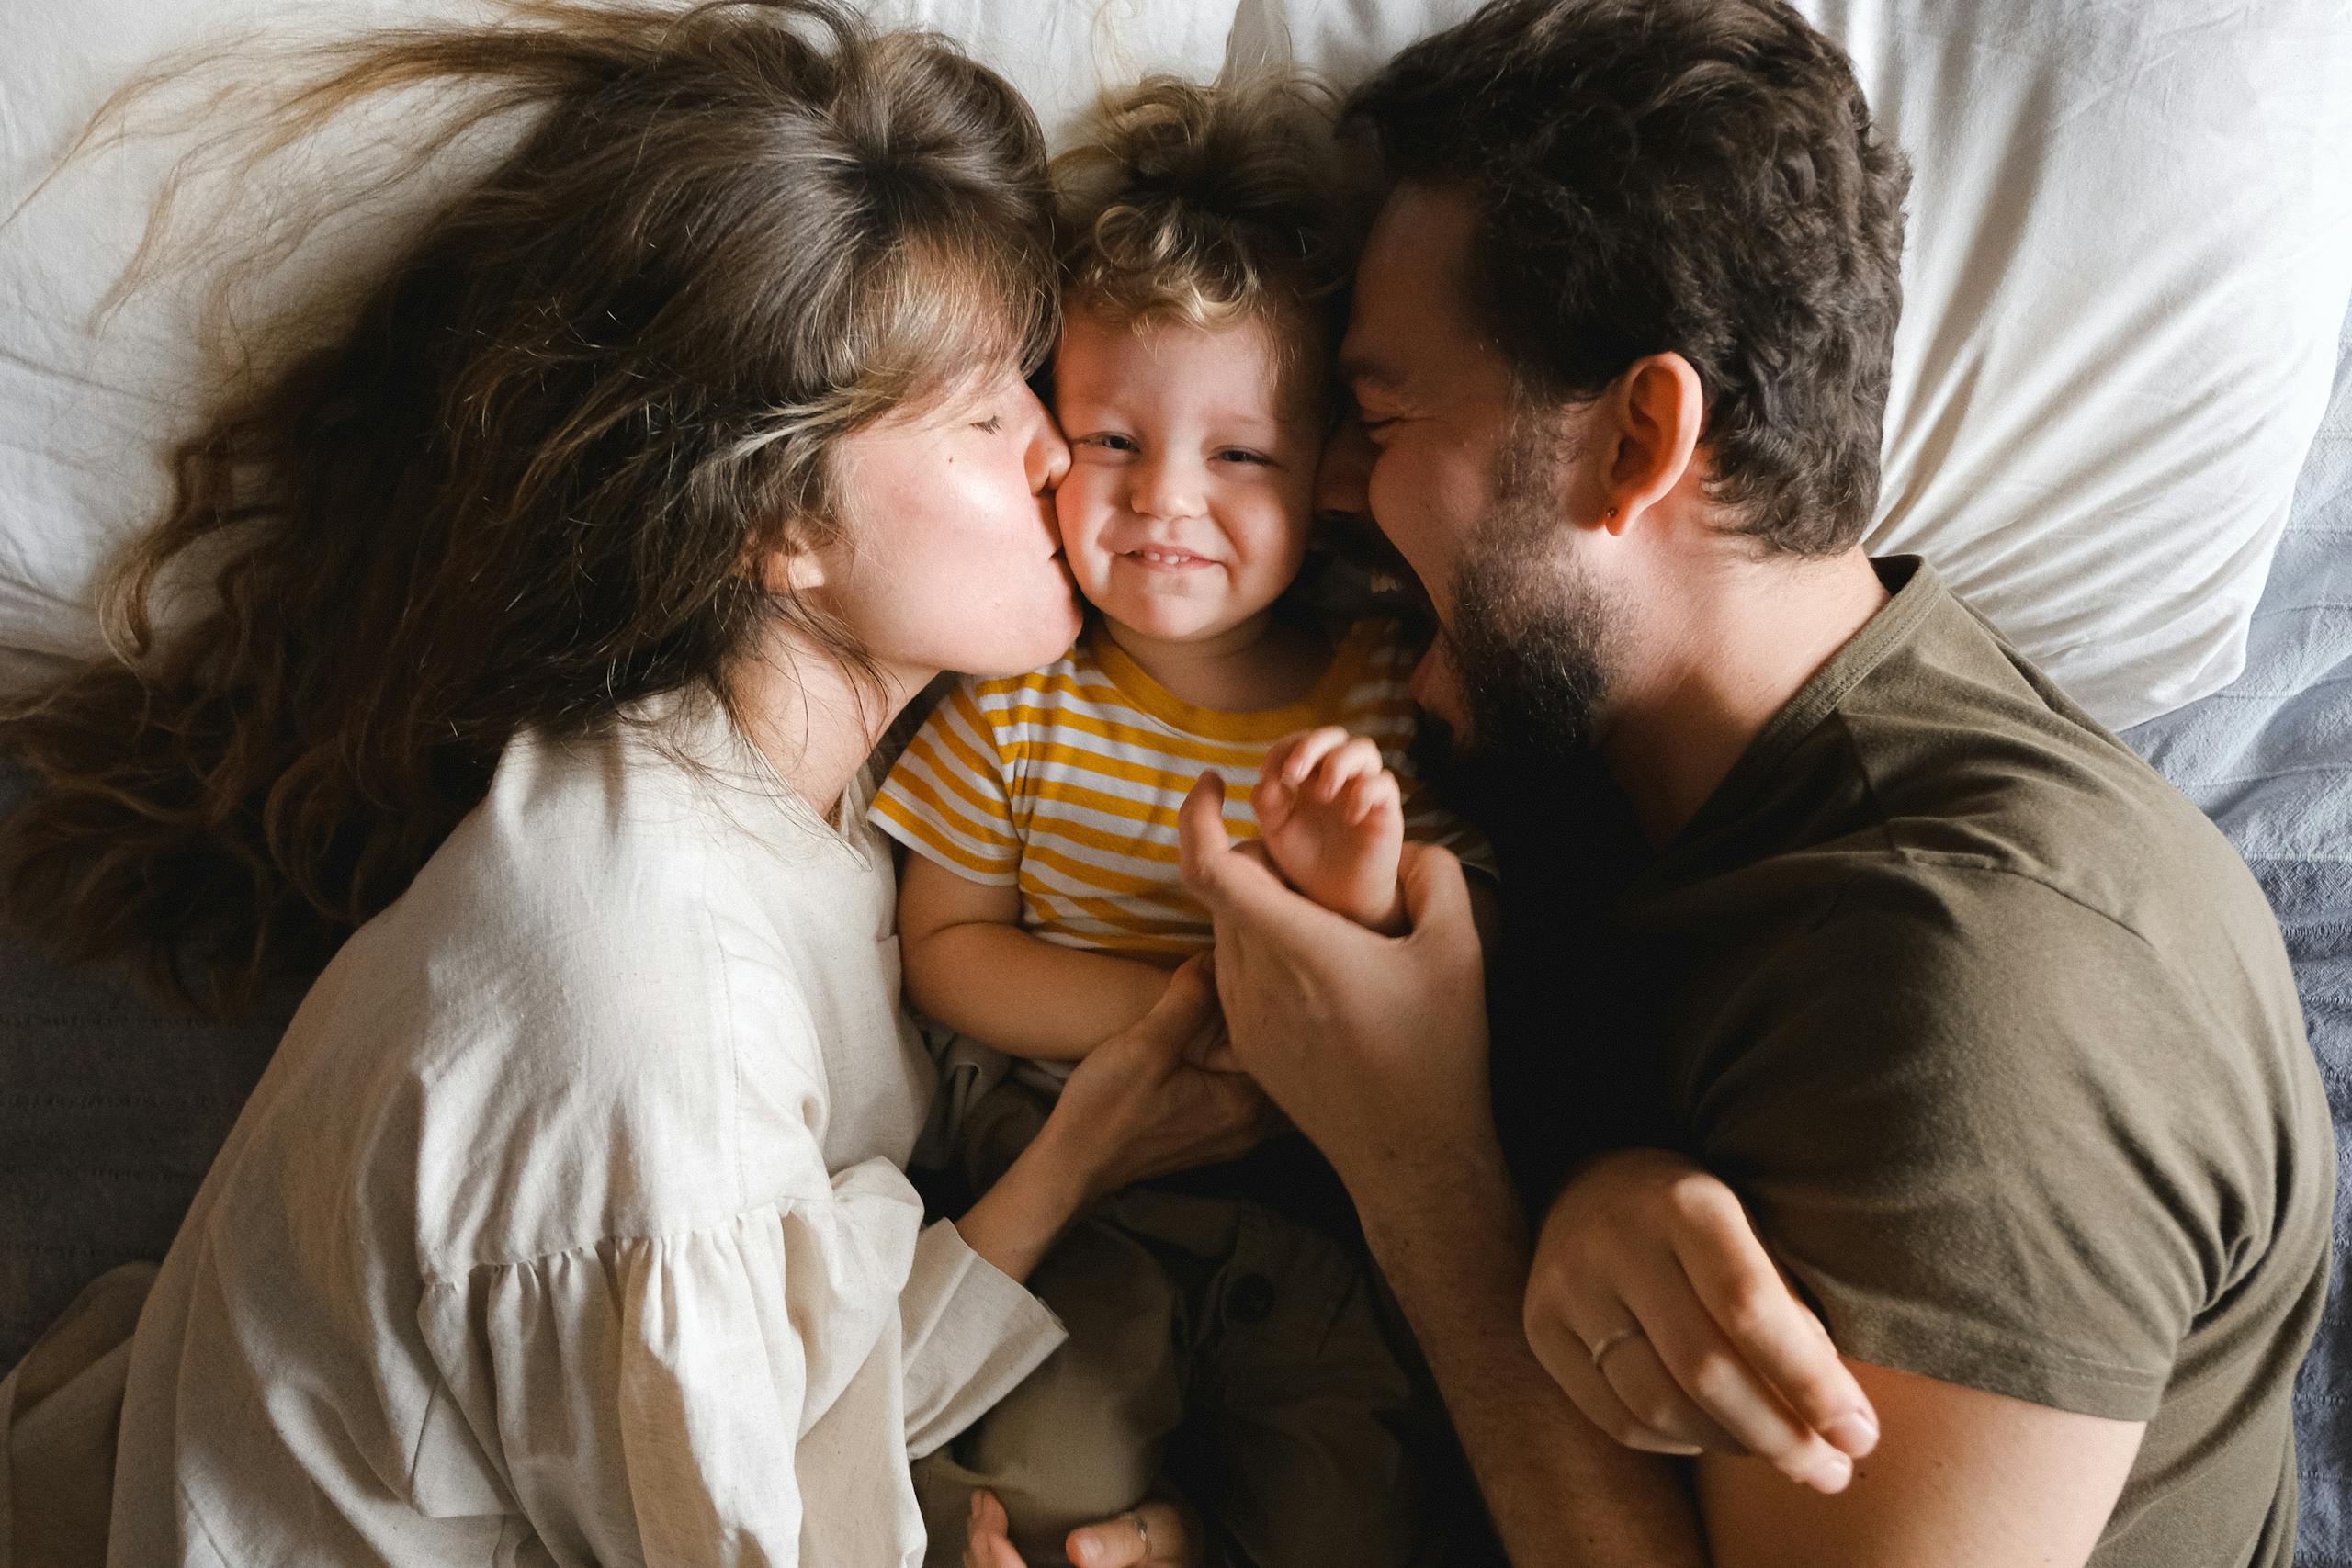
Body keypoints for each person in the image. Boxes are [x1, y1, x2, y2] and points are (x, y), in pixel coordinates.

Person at [971, 0, 2335, 1564]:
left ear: (1636, 443)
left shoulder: (1991, 991)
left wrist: (1427, 1175)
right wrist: (1586, 1202)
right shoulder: (1593, 766)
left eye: (1386, 416)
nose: (1332, 483)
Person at [0, 6, 1273, 1563]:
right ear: (778, 526)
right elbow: (732, 1500)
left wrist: (1079, 1157)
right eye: (983, 407)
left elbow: (776, 1364)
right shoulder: (653, 1013)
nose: (1058, 452)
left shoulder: (766, 792)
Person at [875, 74, 1487, 1567]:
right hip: (1088, 1212)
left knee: (1355, 1521)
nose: (1163, 500)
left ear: (1329, 475)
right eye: (1112, 440)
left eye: (1238, 455)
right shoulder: (1018, 703)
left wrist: (1354, 893)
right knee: (1023, 1505)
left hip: (1324, 1225)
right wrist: (1172, 1014)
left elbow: (1439, 961)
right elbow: (946, 949)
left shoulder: (1383, 695)